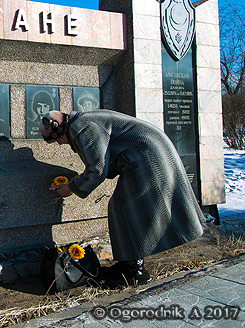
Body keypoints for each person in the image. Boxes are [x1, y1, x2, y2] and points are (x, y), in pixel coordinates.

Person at [39, 109, 204, 287]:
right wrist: (78, 181)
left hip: (147, 157)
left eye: (55, 140)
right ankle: (129, 264)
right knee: (122, 207)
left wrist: (71, 187)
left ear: (59, 130)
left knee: (125, 208)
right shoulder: (83, 121)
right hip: (150, 153)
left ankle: (135, 272)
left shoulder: (81, 127)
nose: (59, 144)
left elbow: (98, 170)